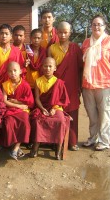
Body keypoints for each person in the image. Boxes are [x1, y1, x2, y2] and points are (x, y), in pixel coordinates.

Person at [81, 14, 110, 151]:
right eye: (94, 24)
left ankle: (104, 141)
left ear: (104, 26)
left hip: (106, 85)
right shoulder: (86, 42)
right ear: (91, 27)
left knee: (105, 114)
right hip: (88, 84)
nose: (96, 27)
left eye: (99, 24)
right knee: (92, 115)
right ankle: (93, 138)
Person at [48, 21, 83, 151]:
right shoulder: (52, 48)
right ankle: (56, 141)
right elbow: (49, 68)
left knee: (73, 112)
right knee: (57, 113)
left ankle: (72, 142)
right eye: (60, 32)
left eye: (66, 32)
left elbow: (80, 68)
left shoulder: (75, 48)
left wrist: (80, 86)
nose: (63, 35)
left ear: (70, 33)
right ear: (56, 32)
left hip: (72, 86)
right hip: (57, 87)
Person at [29, 57, 70, 160]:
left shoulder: (59, 82)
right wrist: (42, 108)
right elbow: (37, 99)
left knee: (60, 121)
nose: (47, 68)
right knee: (38, 120)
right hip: (42, 107)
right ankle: (35, 147)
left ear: (55, 68)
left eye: (50, 66)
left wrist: (54, 108)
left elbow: (62, 100)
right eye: (45, 66)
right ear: (42, 68)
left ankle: (58, 149)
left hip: (56, 108)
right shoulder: (38, 81)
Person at [1, 62, 34, 161]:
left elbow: (30, 101)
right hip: (10, 109)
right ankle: (14, 147)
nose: (13, 73)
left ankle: (15, 148)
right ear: (7, 73)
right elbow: (4, 101)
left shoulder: (25, 85)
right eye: (10, 71)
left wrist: (17, 101)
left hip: (22, 110)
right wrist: (18, 105)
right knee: (9, 123)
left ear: (20, 71)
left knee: (25, 123)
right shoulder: (5, 85)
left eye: (15, 70)